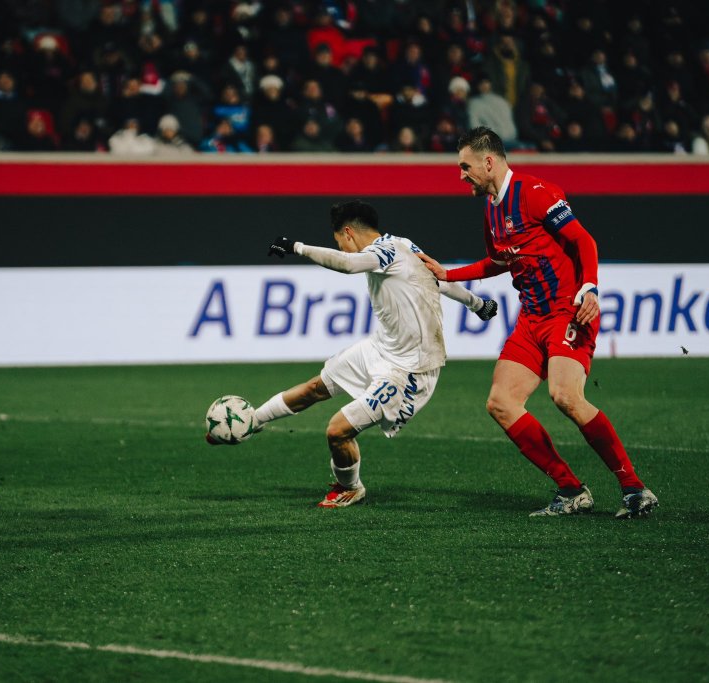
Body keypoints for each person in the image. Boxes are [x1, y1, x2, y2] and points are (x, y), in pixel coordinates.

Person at [416, 127, 658, 519]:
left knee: (565, 397)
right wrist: (449, 275)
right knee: (501, 403)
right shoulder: (491, 209)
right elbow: (499, 261)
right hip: (530, 318)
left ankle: (634, 489)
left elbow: (584, 241)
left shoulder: (535, 192)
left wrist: (590, 289)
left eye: (465, 166)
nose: (461, 174)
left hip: (568, 310)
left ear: (488, 161)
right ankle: (570, 489)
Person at [209, 200, 497, 509]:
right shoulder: (403, 245)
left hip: (408, 369)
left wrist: (297, 247)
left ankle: (350, 487)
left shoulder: (383, 253)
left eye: (340, 243)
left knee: (337, 431)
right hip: (381, 347)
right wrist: (476, 304)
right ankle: (254, 421)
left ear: (348, 233)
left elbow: (347, 265)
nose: (343, 250)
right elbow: (437, 279)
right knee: (316, 387)